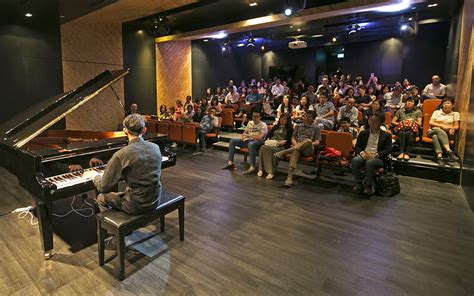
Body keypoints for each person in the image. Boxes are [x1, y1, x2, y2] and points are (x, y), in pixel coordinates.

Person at [85, 114, 162, 215]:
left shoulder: (122, 154)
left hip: (137, 204)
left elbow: (104, 188)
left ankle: (112, 228)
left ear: (125, 130)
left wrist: (95, 176)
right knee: (122, 194)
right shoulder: (155, 147)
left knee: (101, 198)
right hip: (155, 199)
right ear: (144, 130)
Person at [274, 111, 321, 187]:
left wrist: (307, 143)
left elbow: (317, 142)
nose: (306, 118)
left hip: (308, 149)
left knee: (308, 141)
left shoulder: (316, 128)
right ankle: (289, 177)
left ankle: (285, 152)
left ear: (313, 119)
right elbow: (293, 138)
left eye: (309, 117)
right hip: (297, 147)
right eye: (306, 116)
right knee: (295, 150)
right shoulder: (298, 126)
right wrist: (297, 145)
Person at [351, 111, 392, 195]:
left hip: (378, 158)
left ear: (381, 122)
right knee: (355, 160)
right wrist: (362, 153)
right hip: (364, 154)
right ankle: (358, 184)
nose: (372, 123)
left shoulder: (386, 135)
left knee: (370, 162)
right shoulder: (363, 133)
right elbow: (357, 147)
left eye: (375, 121)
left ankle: (369, 185)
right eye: (370, 120)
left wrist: (375, 155)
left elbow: (388, 149)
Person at [257, 114, 293, 180]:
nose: (282, 120)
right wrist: (268, 139)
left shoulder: (290, 129)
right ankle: (261, 169)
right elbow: (269, 135)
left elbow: (289, 140)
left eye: (285, 119)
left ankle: (271, 171)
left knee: (271, 150)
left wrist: (283, 142)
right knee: (263, 147)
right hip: (272, 142)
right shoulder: (276, 126)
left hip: (281, 145)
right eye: (281, 118)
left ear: (288, 121)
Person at [427, 98, 460, 164]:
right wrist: (442, 126)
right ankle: (449, 151)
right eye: (444, 103)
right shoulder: (437, 112)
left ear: (453, 105)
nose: (446, 105)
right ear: (442, 105)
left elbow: (457, 125)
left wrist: (453, 128)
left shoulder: (456, 114)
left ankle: (439, 157)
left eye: (448, 103)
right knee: (438, 131)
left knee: (435, 136)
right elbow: (430, 122)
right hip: (432, 130)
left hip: (446, 133)